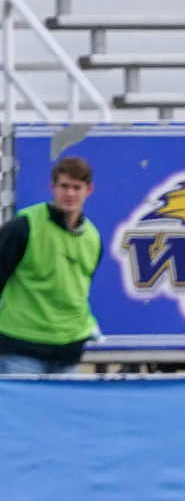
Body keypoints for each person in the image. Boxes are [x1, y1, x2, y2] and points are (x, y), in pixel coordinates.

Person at [0, 156, 100, 375]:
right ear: (52, 187)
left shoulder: (93, 237)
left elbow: (80, 290)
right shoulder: (23, 226)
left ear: (89, 190)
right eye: (64, 186)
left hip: (69, 352)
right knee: (22, 411)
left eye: (77, 187)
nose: (70, 194)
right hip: (21, 349)